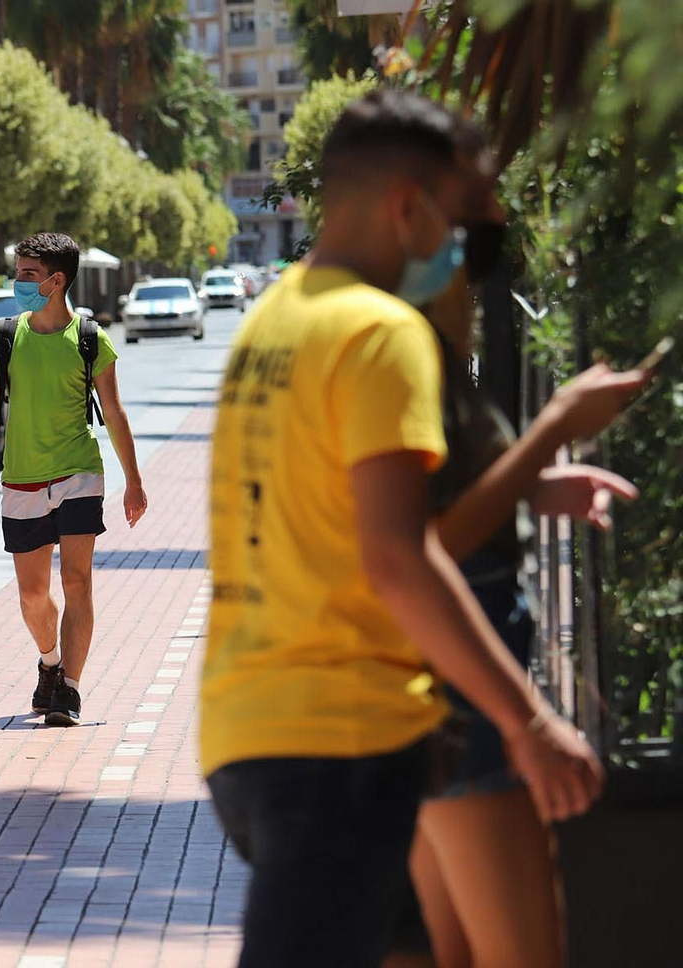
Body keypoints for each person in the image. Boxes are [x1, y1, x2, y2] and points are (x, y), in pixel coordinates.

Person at [200, 89, 606, 967]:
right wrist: (528, 722)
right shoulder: (380, 333)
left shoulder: (272, 320)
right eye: (460, 217)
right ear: (409, 206)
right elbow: (398, 555)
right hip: (340, 743)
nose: (465, 244)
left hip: (247, 731)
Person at [404, 149, 650, 968]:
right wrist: (554, 426)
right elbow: (418, 547)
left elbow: (430, 502)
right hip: (461, 704)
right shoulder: (401, 346)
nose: (500, 221)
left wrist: (534, 486)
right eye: (482, 208)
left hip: (425, 700)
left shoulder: (406, 336)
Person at [0, 232, 147, 727]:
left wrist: (133, 480)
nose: (18, 281)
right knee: (32, 595)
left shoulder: (90, 339)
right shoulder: (5, 336)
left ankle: (69, 690)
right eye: (19, 271)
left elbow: (113, 412)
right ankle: (50, 662)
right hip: (21, 477)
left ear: (56, 280)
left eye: (27, 273)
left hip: (79, 472)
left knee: (77, 580)